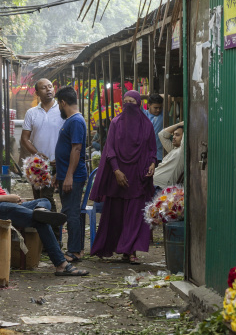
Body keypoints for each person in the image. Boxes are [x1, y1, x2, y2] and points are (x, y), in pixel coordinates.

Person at [0, 131, 88, 277]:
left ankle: (40, 211)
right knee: (40, 221)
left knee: (44, 201)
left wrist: (11, 198)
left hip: (3, 205)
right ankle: (62, 264)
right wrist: (8, 198)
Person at [90, 90, 157, 264]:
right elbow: (110, 149)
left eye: (132, 102)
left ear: (138, 104)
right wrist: (116, 171)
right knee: (117, 215)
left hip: (138, 176)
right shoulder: (116, 123)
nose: (128, 106)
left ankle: (131, 251)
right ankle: (114, 248)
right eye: (125, 102)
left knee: (135, 215)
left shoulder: (147, 124)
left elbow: (151, 149)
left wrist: (152, 164)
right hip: (118, 175)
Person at [21, 78, 63, 237]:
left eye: (50, 86)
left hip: (56, 162)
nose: (49, 90)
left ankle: (55, 238)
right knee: (38, 200)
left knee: (46, 198)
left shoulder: (62, 110)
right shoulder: (31, 113)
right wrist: (37, 153)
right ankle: (44, 237)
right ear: (37, 93)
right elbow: (25, 139)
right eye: (44, 88)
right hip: (38, 165)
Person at [54, 86, 88, 263]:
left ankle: (74, 251)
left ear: (63, 102)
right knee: (71, 210)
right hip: (66, 174)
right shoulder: (71, 120)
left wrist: (68, 176)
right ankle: (77, 249)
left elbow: (76, 149)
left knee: (71, 212)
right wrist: (58, 175)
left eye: (58, 104)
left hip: (73, 177)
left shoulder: (75, 121)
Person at [153, 121, 184, 190]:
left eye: (177, 135)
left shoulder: (182, 152)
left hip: (161, 188)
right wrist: (180, 124)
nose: (173, 137)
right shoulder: (173, 149)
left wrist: (185, 124)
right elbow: (162, 134)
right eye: (173, 135)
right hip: (153, 185)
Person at [143, 93, 164, 163]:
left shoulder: (162, 115)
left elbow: (168, 96)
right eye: (155, 108)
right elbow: (134, 98)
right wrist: (147, 96)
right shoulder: (143, 113)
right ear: (149, 105)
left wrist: (151, 95)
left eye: (160, 108)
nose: (158, 110)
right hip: (144, 155)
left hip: (159, 155)